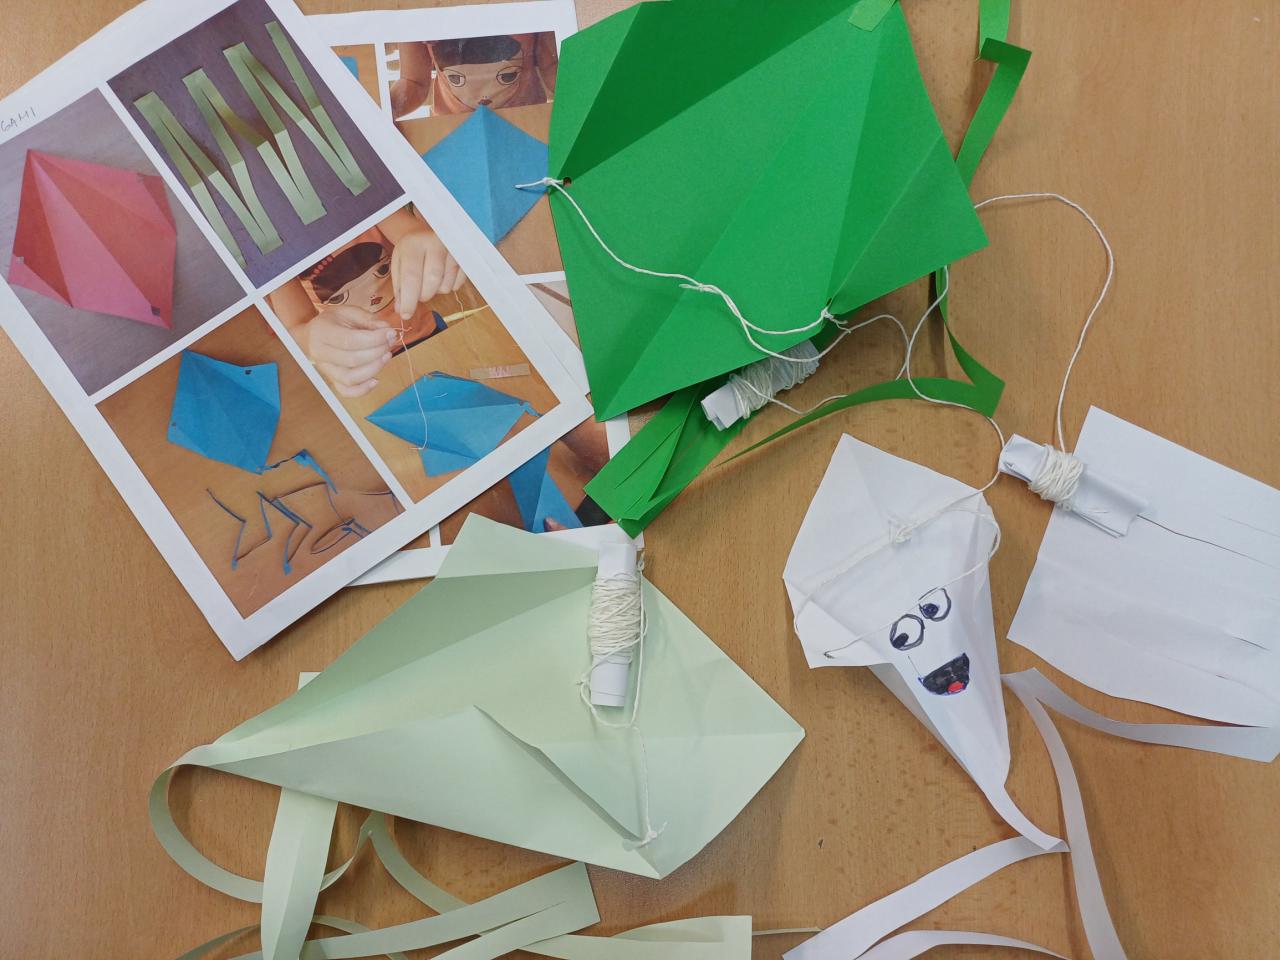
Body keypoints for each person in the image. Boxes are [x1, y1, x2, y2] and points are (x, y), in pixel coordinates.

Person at [270, 207, 467, 398]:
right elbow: (297, 328)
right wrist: (311, 339)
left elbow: (411, 232)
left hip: (424, 333)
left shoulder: (364, 201)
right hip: (365, 365)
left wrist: (428, 236)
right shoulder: (273, 250)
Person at [389, 33, 558, 119]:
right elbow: (414, 81)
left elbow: (551, 66)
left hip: (527, 124)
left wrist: (573, 98)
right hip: (451, 130)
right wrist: (384, 113)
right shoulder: (415, 6)